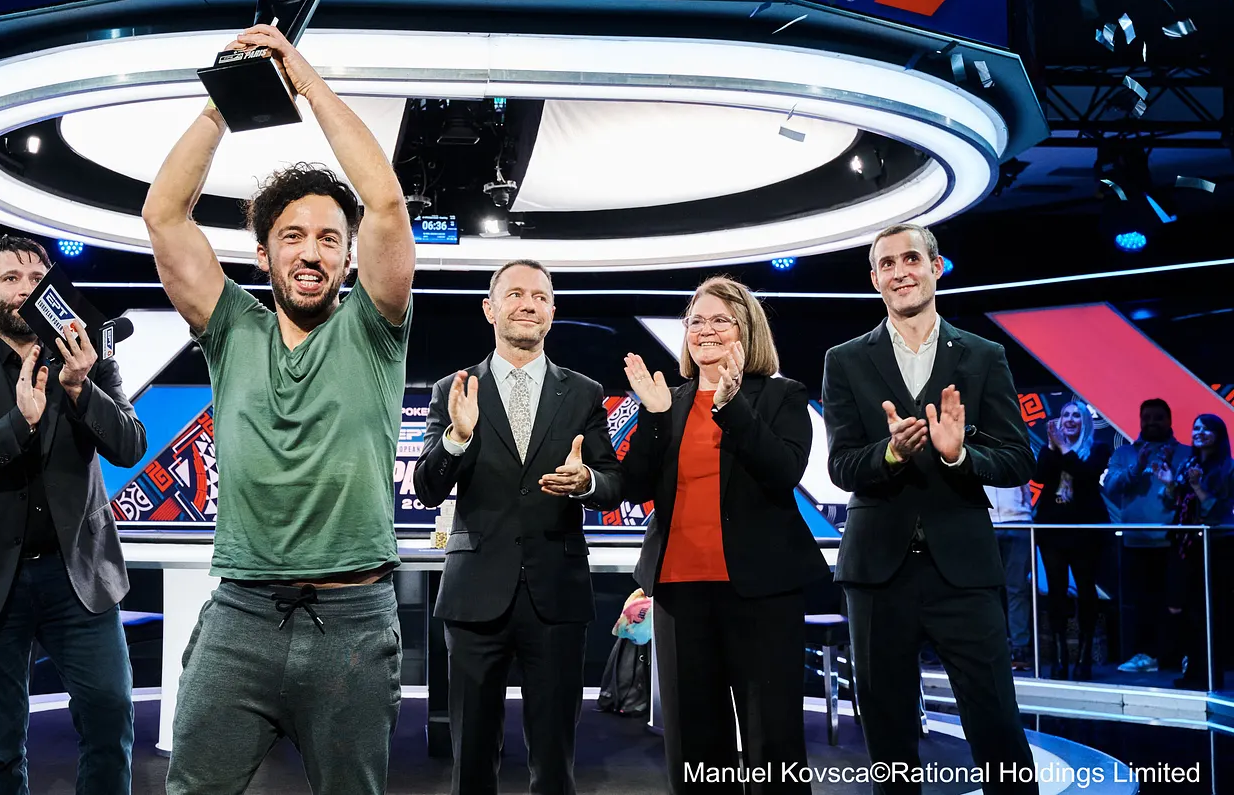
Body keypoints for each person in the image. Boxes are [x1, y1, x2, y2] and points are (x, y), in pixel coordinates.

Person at [142, 23, 416, 795]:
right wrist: (229, 98)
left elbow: (386, 201)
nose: (312, 251)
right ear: (262, 253)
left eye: (330, 237)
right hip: (241, 617)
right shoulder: (231, 326)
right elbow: (165, 215)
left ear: (349, 256)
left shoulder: (374, 327)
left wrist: (303, 80)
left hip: (354, 624)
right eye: (292, 235)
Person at [0, 234, 148, 795]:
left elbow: (129, 446)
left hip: (78, 577)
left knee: (110, 718)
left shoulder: (87, 358)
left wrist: (80, 387)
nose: (25, 289)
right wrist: (17, 425)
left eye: (36, 279)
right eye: (10, 278)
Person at [823, 224, 1036, 795]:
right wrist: (891, 453)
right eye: (888, 264)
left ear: (936, 267)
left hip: (963, 570)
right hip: (877, 573)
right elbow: (841, 466)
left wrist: (960, 455)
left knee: (997, 727)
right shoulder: (845, 360)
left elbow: (1018, 459)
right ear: (875, 279)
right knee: (889, 737)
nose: (901, 272)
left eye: (911, 259)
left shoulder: (983, 355)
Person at [415, 259, 624, 795]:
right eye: (515, 294)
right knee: (471, 760)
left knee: (554, 762)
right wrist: (458, 439)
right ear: (490, 309)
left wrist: (586, 482)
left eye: (539, 296)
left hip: (557, 592)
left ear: (552, 311)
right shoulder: (454, 388)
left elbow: (612, 483)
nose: (528, 304)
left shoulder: (584, 392)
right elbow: (427, 488)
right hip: (475, 594)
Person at [621, 275, 829, 795]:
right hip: (680, 593)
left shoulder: (782, 395)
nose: (705, 330)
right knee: (694, 746)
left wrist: (733, 405)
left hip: (761, 592)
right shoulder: (668, 400)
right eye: (696, 321)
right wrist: (653, 417)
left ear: (746, 330)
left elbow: (783, 472)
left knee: (772, 742)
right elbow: (635, 486)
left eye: (720, 320)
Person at [1101, 397, 1189, 674]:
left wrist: (1172, 480)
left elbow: (1191, 495)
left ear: (1169, 420)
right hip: (1135, 540)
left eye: (1157, 418)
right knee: (1141, 604)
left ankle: (1179, 656)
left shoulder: (1186, 453)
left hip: (1175, 540)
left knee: (1177, 603)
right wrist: (1137, 467)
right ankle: (1146, 655)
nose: (1151, 423)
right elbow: (1111, 487)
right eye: (1146, 418)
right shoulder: (1124, 454)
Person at [1031, 400, 1110, 681]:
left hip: (1086, 531)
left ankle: (1084, 657)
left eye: (1076, 415)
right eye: (1065, 415)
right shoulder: (1050, 449)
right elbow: (1039, 475)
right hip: (1053, 530)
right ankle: (1060, 656)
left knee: (1086, 591)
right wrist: (1052, 446)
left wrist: (1064, 447)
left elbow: (1086, 476)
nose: (1070, 419)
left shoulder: (1098, 448)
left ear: (1085, 422)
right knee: (1056, 592)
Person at [1166, 413, 1234, 690]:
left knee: (1211, 612)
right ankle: (1194, 670)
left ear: (1218, 435)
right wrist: (1169, 483)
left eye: (1206, 429)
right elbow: (1176, 502)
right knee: (1187, 610)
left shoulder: (1227, 468)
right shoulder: (1188, 463)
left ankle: (1211, 674)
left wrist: (1197, 486)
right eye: (1196, 428)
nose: (1199, 433)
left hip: (1215, 545)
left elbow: (1218, 511)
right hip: (1187, 544)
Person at [985, 481, 1034, 673]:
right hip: (985, 521)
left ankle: (1020, 648)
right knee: (988, 589)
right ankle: (993, 644)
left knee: (1017, 588)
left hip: (1019, 520)